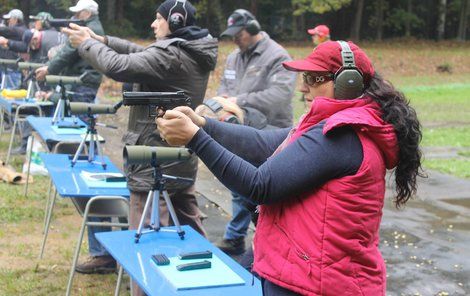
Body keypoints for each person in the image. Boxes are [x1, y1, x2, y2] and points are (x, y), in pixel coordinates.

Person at [156, 40, 424, 295]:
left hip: (320, 283)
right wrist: (204, 125)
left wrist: (195, 139)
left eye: (314, 79)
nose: (303, 88)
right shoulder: (330, 126)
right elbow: (263, 143)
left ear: (347, 83)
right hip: (308, 274)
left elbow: (260, 186)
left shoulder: (340, 135)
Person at [63, 0, 217, 294]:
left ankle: (145, 288)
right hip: (178, 155)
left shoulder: (171, 54)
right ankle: (202, 287)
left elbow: (118, 66)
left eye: (159, 19)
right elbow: (140, 53)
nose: (153, 24)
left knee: (146, 239)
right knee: (190, 230)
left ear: (175, 22)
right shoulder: (189, 50)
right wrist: (102, 40)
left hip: (151, 158)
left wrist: (86, 44)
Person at [34, 0, 115, 275]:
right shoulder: (94, 28)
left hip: (81, 88)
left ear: (87, 14)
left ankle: (102, 250)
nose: (74, 18)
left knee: (83, 163)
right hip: (84, 86)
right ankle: (102, 247)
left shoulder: (87, 31)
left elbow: (67, 55)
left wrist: (48, 71)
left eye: (77, 13)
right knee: (82, 157)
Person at [215, 8, 296, 255]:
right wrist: (223, 102)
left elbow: (280, 96)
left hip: (271, 133)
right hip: (240, 129)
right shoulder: (233, 57)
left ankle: (271, 241)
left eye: (238, 34)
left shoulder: (277, 55)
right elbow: (224, 87)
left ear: (252, 29)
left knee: (264, 191)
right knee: (239, 185)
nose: (235, 40)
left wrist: (239, 100)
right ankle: (238, 237)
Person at [0, 9, 27, 89]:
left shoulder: (16, 30)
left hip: (11, 68)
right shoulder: (23, 29)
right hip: (13, 67)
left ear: (16, 19)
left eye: (10, 19)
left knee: (9, 93)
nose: (8, 21)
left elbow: (2, 30)